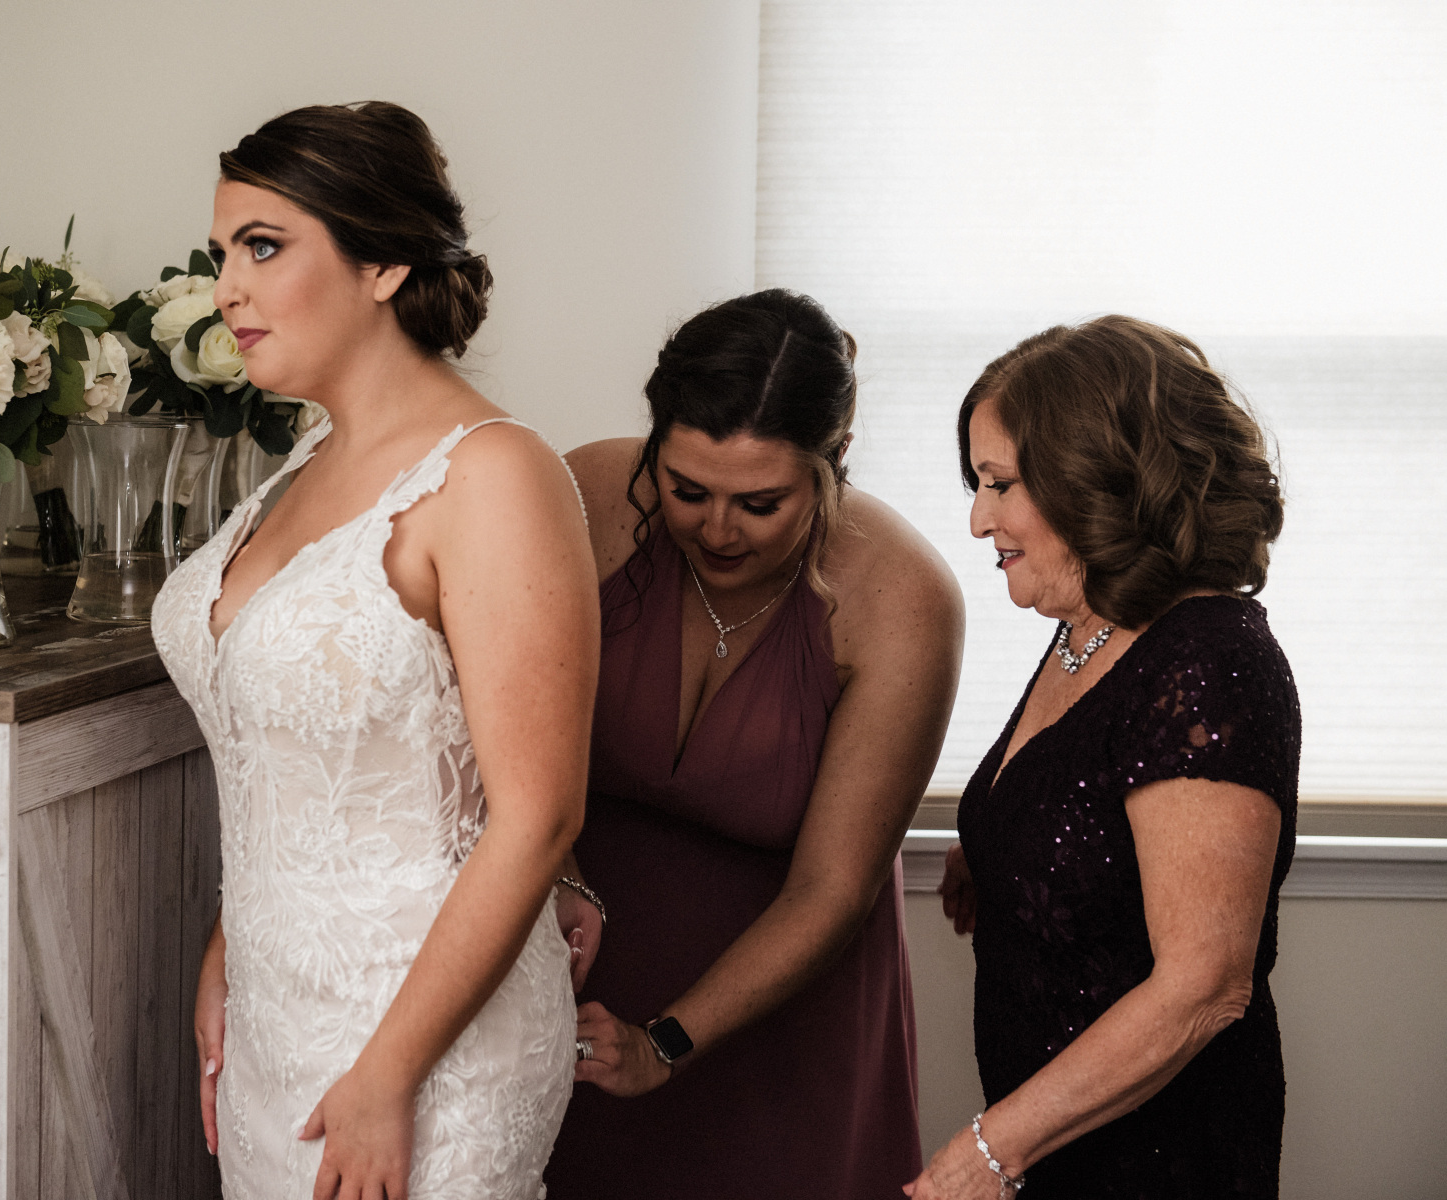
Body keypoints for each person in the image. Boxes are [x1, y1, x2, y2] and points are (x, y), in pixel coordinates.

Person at [150, 102, 598, 1200]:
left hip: (428, 1045)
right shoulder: (301, 465)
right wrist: (228, 949)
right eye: (222, 253)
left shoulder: (493, 476)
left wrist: (388, 1075)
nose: (226, 289)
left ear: (384, 264)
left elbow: (538, 817)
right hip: (272, 1016)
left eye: (263, 247)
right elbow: (287, 760)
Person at [545, 290, 964, 1197]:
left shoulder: (901, 597)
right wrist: (558, 869)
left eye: (761, 503)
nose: (716, 529)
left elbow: (834, 888)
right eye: (686, 489)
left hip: (782, 1008)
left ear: (834, 460)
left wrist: (665, 1042)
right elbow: (489, 723)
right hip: (576, 973)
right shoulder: (588, 498)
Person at [909, 316, 1298, 1199]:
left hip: (1159, 1161)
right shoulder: (1091, 624)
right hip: (1059, 1144)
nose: (978, 520)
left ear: (1094, 477)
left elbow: (1204, 986)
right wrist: (999, 851)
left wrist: (985, 1156)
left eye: (1000, 484)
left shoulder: (1208, 660)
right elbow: (1091, 795)